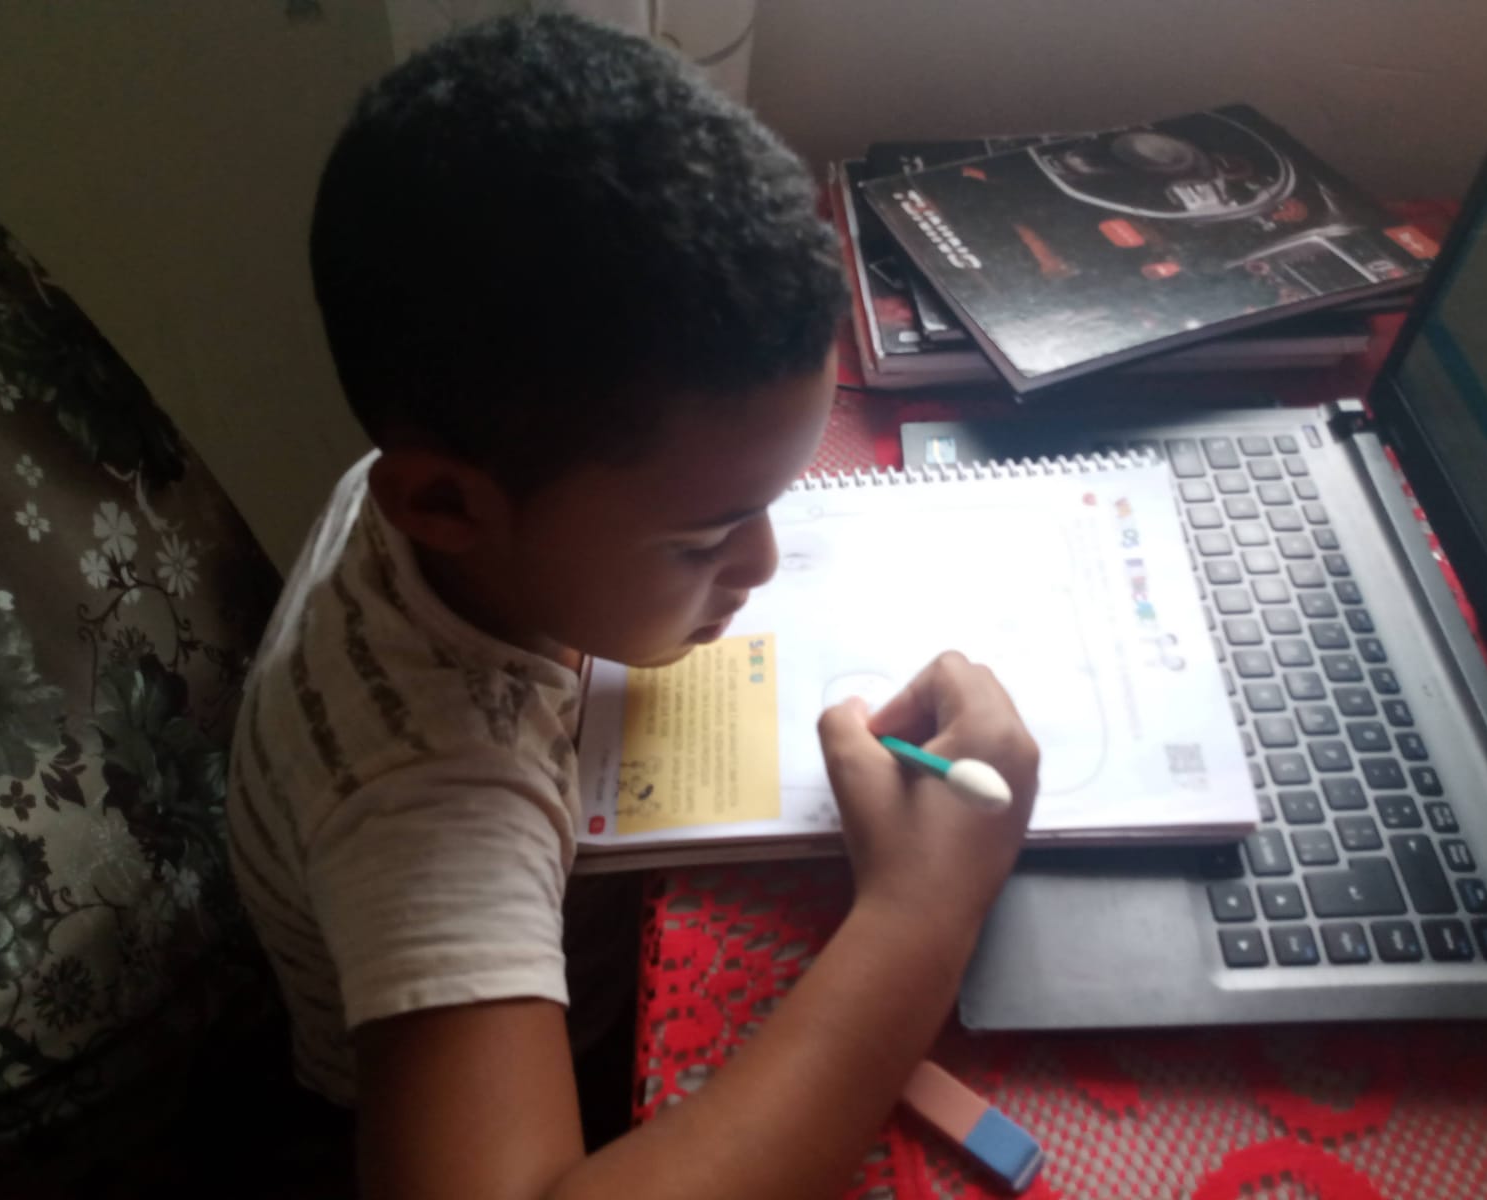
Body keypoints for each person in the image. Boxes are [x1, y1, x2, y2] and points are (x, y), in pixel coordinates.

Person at [227, 12, 1040, 1199]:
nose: (762, 562)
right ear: (445, 505)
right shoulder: (428, 797)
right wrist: (922, 913)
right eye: (704, 538)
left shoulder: (482, 474)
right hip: (526, 1067)